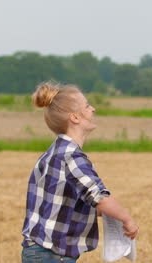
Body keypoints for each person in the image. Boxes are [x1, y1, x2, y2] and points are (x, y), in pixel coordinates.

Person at [21, 81, 139, 263]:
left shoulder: (53, 152)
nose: (93, 109)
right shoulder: (72, 157)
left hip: (38, 252)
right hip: (51, 256)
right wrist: (127, 219)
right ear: (75, 117)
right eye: (87, 106)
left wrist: (106, 215)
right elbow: (99, 197)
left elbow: (65, 204)